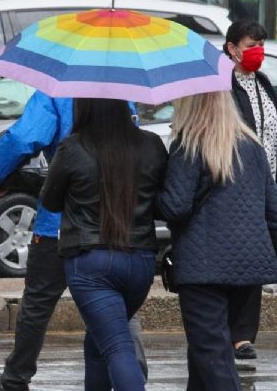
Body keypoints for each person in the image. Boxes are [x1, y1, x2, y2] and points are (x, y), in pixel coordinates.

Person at [0, 92, 149, 391]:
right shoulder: (121, 88)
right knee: (117, 306)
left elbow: (21, 139)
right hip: (115, 220)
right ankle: (132, 372)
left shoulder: (56, 92)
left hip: (61, 224)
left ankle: (15, 379)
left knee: (38, 304)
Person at [41, 98, 166, 390]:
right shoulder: (152, 145)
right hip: (141, 263)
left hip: (91, 262)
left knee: (117, 346)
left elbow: (50, 201)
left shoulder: (73, 148)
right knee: (99, 341)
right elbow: (160, 200)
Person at [157, 90, 277, 390]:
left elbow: (175, 207)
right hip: (249, 267)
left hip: (203, 267)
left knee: (212, 355)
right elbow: (272, 211)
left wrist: (153, 193)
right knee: (205, 353)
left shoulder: (190, 144)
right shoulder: (252, 146)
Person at [223, 19, 277, 360]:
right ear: (231, 48)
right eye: (249, 44)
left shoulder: (263, 82)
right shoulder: (221, 86)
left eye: (260, 43)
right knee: (233, 256)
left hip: (266, 184)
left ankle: (243, 334)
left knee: (255, 257)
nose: (256, 51)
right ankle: (228, 331)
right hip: (234, 185)